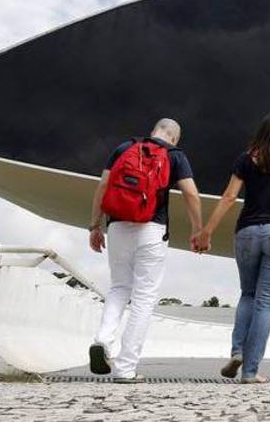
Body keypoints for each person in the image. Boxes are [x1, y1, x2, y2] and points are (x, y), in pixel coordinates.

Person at [198, 113, 270, 384]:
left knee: (248, 295)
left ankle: (237, 350)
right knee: (266, 302)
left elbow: (229, 197)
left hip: (248, 233)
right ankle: (250, 371)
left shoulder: (245, 160)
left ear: (261, 135)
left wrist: (207, 231)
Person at [87, 118, 203, 383]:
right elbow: (191, 194)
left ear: (154, 131)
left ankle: (102, 341)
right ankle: (126, 368)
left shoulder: (125, 147)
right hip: (152, 229)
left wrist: (95, 225)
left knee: (119, 287)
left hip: (116, 227)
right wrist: (197, 230)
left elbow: (103, 186)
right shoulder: (175, 156)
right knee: (143, 298)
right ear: (174, 137)